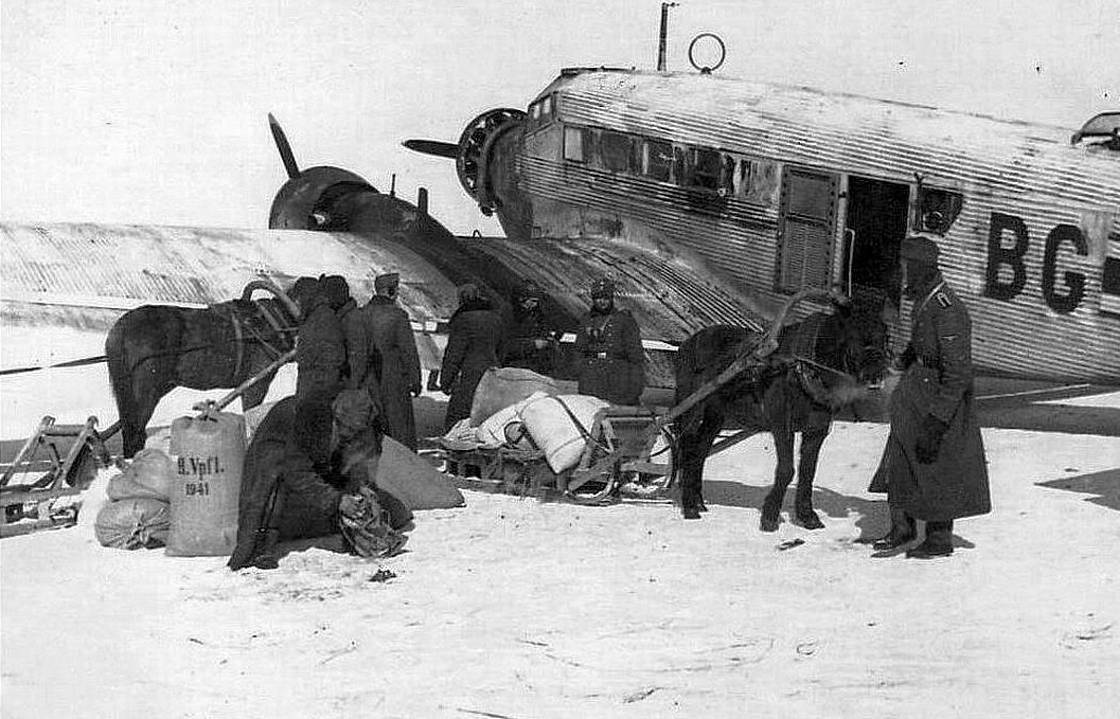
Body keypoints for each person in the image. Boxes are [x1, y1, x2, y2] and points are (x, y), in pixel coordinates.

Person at [868, 234, 991, 558]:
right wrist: (904, 359)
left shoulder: (948, 309)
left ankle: (939, 539)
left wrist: (937, 422)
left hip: (937, 398)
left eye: (908, 267)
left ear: (921, 269)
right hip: (915, 393)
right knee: (901, 459)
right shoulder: (926, 300)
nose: (903, 274)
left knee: (938, 465)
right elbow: (925, 342)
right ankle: (902, 527)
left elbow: (957, 372)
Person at [228, 389, 411, 571]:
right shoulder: (308, 419)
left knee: (385, 509)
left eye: (353, 431)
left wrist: (359, 486)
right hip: (276, 452)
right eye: (345, 428)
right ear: (335, 417)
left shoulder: (359, 427)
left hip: (312, 455)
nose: (347, 434)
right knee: (266, 491)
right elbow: (297, 472)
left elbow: (360, 460)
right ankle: (261, 546)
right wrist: (337, 500)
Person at [358, 272, 423, 451]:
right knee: (399, 425)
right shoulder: (398, 316)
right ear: (391, 290)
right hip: (394, 379)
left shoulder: (361, 314)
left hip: (368, 378)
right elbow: (408, 351)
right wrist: (415, 379)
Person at [440, 283, 505, 431]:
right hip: (492, 375)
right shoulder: (496, 318)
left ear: (462, 300)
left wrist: (446, 381)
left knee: (457, 419)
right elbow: (502, 350)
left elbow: (454, 355)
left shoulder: (463, 320)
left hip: (468, 378)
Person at [572, 276, 645, 405]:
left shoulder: (624, 320)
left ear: (611, 298)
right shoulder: (586, 319)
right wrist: (581, 370)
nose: (602, 301)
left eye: (606, 298)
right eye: (598, 298)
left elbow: (635, 354)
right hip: (591, 377)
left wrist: (635, 384)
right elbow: (579, 348)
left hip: (617, 377)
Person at [503, 279, 560, 377]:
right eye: (532, 301)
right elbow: (505, 346)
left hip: (534, 367)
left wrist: (549, 341)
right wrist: (532, 345)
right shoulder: (508, 315)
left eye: (536, 302)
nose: (535, 305)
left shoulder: (537, 315)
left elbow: (544, 331)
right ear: (521, 299)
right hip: (513, 368)